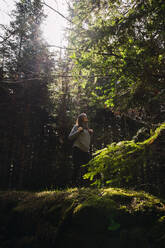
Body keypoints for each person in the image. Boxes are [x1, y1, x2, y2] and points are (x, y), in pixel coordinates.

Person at [68, 113, 93, 186]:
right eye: (85, 117)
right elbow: (70, 137)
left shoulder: (87, 129)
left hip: (85, 151)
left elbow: (87, 141)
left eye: (86, 116)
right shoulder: (76, 126)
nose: (86, 118)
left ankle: (87, 185)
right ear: (81, 118)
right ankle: (73, 186)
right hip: (77, 149)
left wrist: (91, 134)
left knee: (88, 167)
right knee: (76, 167)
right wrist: (78, 131)